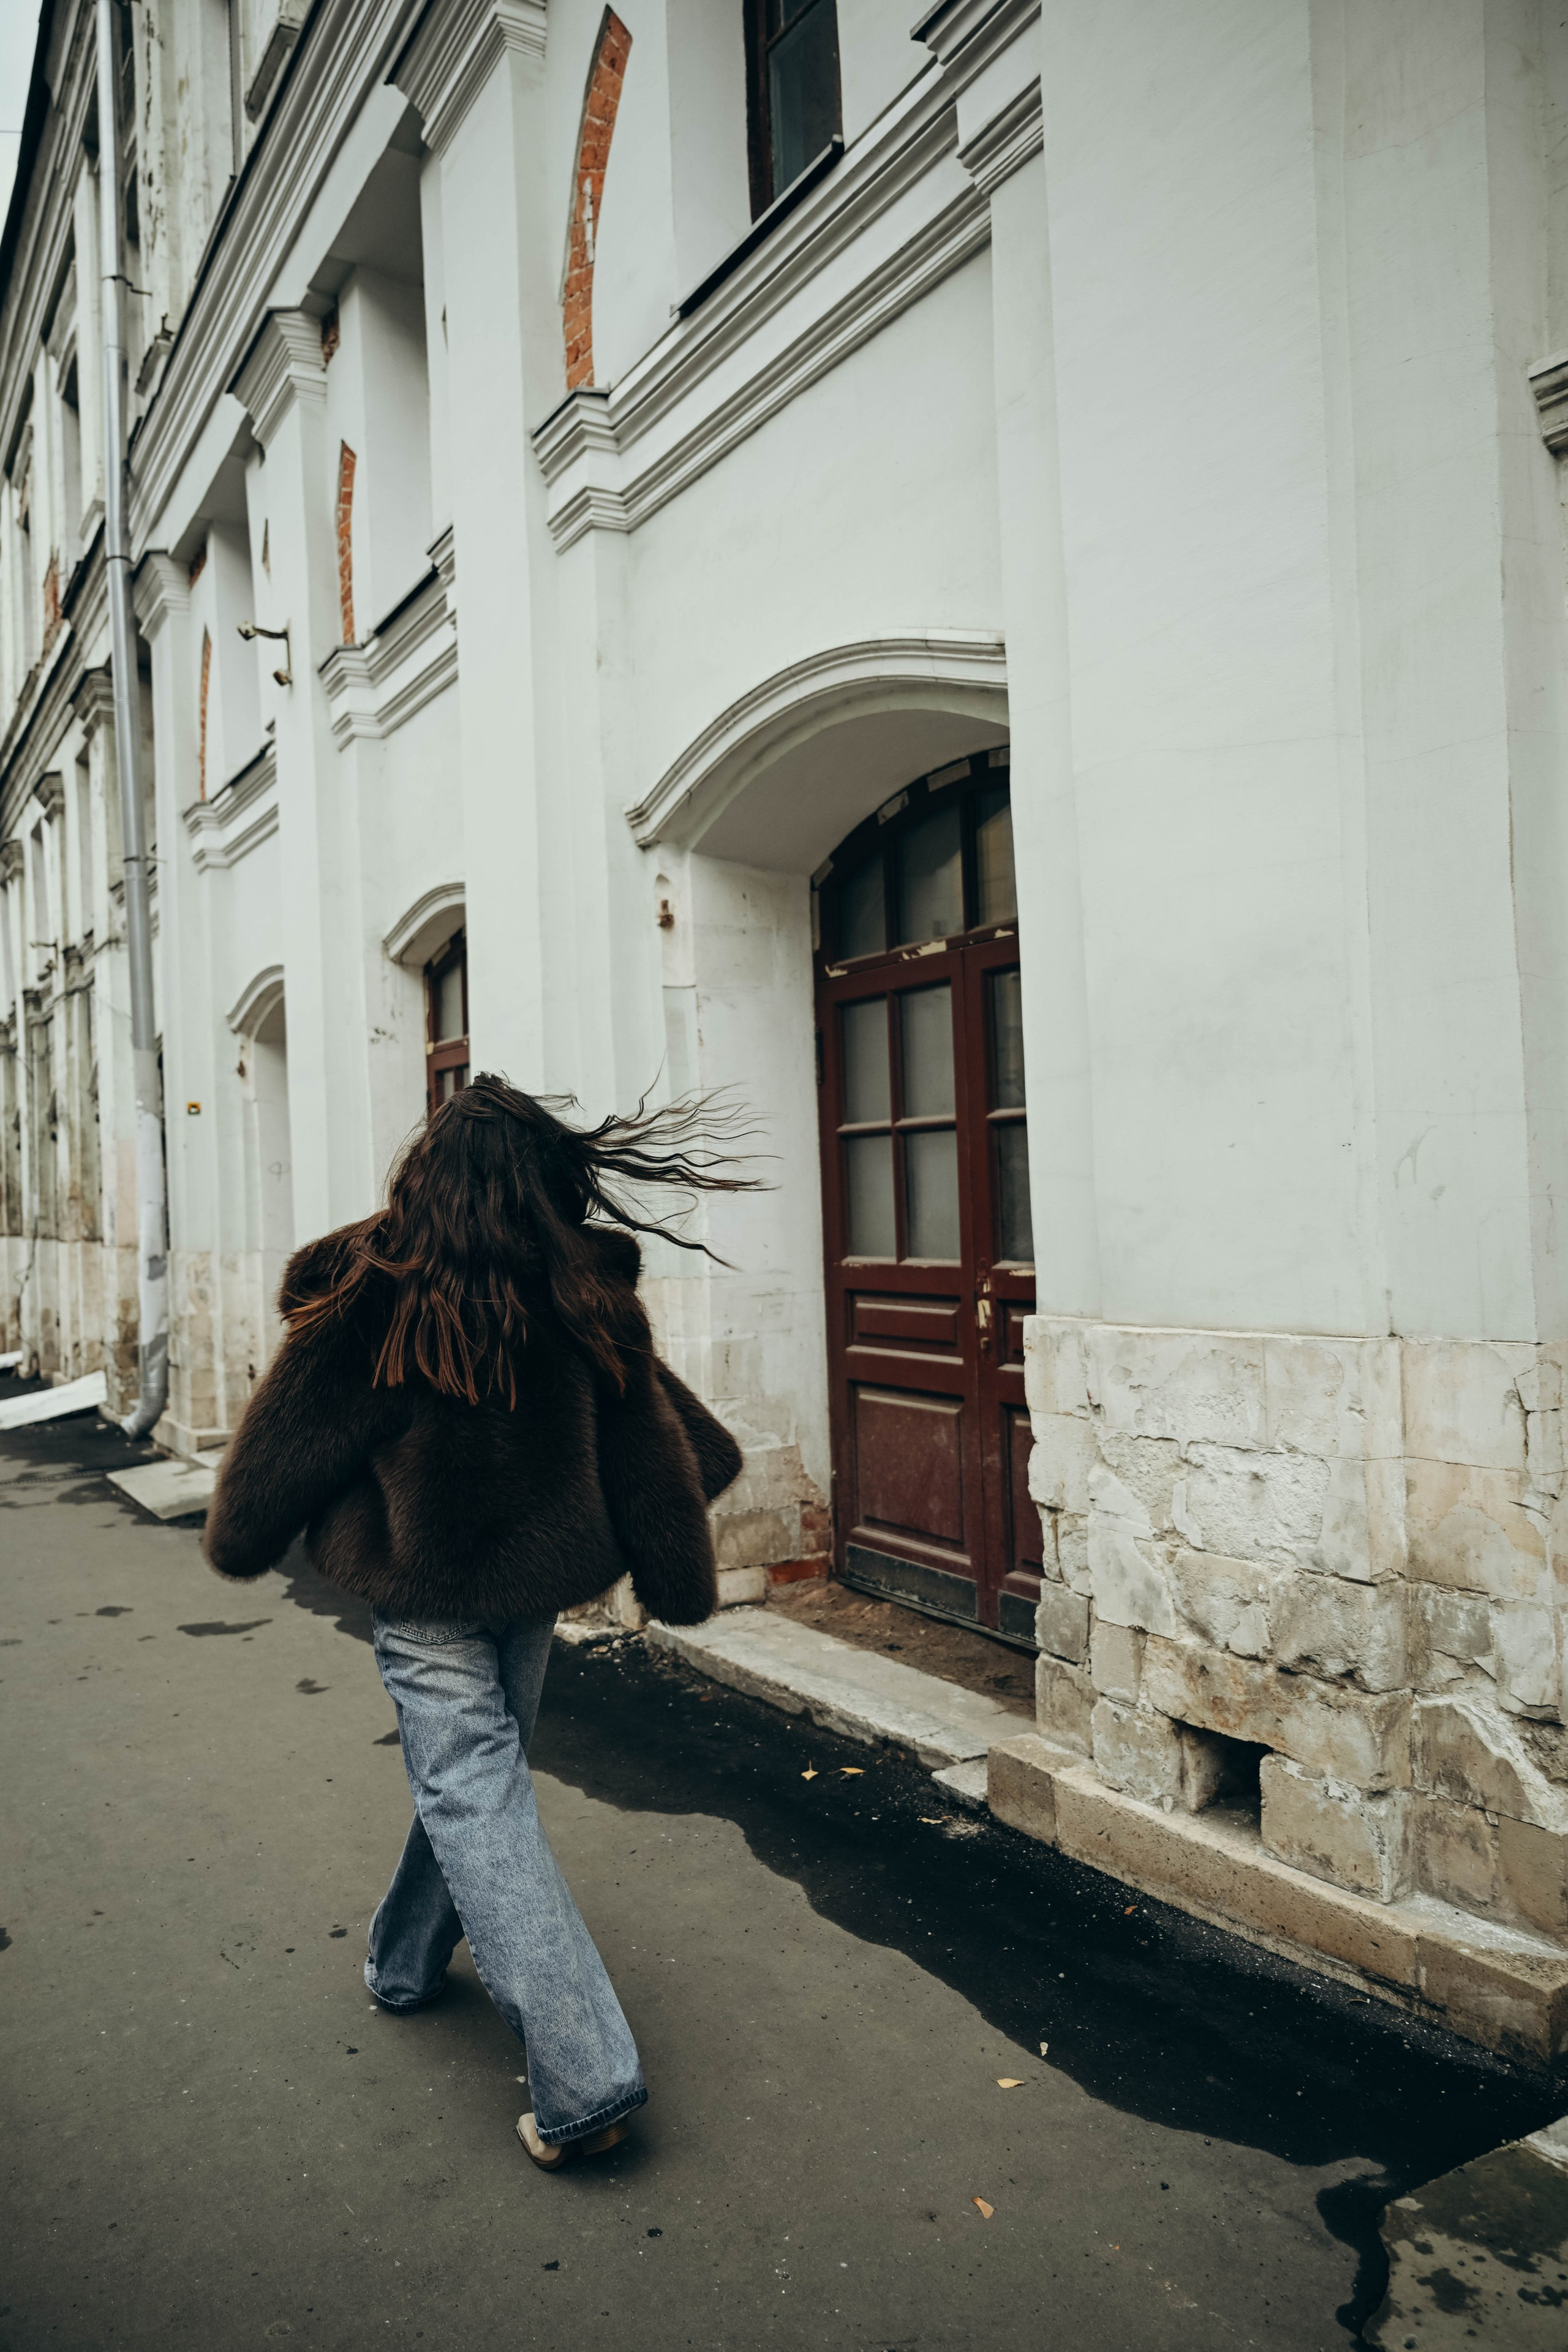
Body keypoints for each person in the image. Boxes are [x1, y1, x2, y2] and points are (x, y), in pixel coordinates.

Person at [203, 1075, 749, 2169]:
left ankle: (587, 2083)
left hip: (425, 1599)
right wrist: (674, 1571)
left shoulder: (367, 1300)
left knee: (472, 1790)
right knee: (477, 1786)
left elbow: (267, 1475)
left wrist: (250, 1535)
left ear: (423, 1177)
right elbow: (683, 1450)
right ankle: (404, 1963)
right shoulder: (584, 1301)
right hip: (535, 1596)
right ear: (549, 1183)